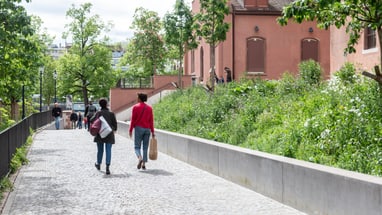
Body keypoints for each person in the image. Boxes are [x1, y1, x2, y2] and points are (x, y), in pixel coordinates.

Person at [129, 93, 155, 170]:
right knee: (145, 147)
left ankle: (140, 158)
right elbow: (151, 121)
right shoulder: (149, 108)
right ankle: (144, 164)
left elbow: (133, 120)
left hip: (138, 128)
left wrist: (130, 130)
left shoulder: (135, 107)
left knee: (137, 146)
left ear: (140, 98)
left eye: (137, 97)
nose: (137, 98)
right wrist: (153, 132)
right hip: (147, 129)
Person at [94, 99, 117, 175]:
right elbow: (115, 125)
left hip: (100, 134)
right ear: (107, 104)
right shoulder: (111, 113)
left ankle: (98, 164)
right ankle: (107, 167)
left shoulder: (98, 113)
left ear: (100, 105)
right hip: (109, 134)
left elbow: (92, 120)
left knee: (100, 150)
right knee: (108, 150)